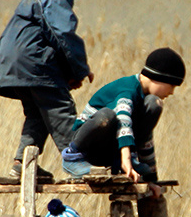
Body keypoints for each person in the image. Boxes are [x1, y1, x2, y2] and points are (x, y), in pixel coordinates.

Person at [0, 0, 101, 178]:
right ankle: (76, 163)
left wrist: (67, 74)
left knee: (38, 113)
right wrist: (81, 69)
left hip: (15, 63)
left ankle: (22, 163)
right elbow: (62, 35)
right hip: (34, 63)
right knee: (60, 108)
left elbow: (45, 37)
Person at [60, 48, 184, 195]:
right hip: (89, 146)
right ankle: (72, 158)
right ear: (159, 78)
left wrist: (151, 179)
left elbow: (145, 138)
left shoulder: (144, 98)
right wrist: (126, 160)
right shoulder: (127, 90)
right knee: (107, 116)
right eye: (172, 86)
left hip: (110, 150)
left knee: (154, 104)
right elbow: (123, 120)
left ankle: (122, 162)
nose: (172, 92)